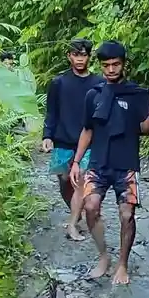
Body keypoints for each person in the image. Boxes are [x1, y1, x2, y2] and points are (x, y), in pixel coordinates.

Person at [69, 40, 149, 285]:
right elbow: (87, 130)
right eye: (106, 65)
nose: (111, 69)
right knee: (90, 207)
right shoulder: (93, 95)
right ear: (100, 66)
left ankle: (122, 264)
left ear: (123, 64)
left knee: (127, 214)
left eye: (115, 64)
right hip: (98, 162)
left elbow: (145, 129)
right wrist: (77, 161)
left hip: (126, 162)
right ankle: (103, 256)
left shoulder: (137, 94)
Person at [41, 39, 104, 241]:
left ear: (89, 57)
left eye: (83, 55)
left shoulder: (99, 84)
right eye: (76, 55)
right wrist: (47, 135)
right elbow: (52, 111)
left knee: (80, 180)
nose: (79, 59)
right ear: (69, 56)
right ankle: (75, 215)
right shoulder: (58, 83)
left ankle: (72, 225)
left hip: (88, 142)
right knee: (64, 181)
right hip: (63, 139)